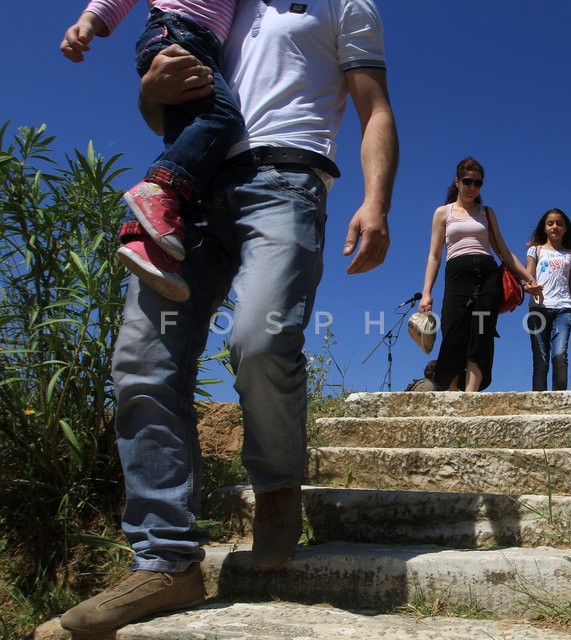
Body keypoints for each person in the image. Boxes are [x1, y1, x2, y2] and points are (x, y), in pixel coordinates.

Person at [58, 0, 398, 634]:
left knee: (261, 337)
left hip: (283, 182)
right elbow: (171, 99)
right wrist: (148, 92)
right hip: (188, 193)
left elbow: (374, 107)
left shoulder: (344, 4)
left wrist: (376, 201)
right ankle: (165, 562)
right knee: (142, 358)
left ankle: (275, 491)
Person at [61, 1, 245, 302]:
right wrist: (88, 22)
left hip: (194, 39)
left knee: (185, 142)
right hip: (180, 32)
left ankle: (146, 245)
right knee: (222, 119)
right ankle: (159, 187)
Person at [419, 157, 542, 392]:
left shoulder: (486, 213)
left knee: (481, 332)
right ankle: (452, 391)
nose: (473, 187)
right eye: (468, 181)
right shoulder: (442, 213)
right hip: (457, 276)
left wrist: (529, 278)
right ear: (457, 181)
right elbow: (434, 256)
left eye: (478, 183)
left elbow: (503, 251)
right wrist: (427, 293)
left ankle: (471, 394)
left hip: (488, 276)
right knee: (453, 331)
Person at [524, 208, 571, 391]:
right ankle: (539, 401)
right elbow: (526, 278)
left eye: (559, 223)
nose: (555, 226)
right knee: (540, 360)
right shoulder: (536, 250)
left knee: (559, 354)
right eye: (550, 223)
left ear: (566, 229)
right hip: (538, 309)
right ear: (544, 228)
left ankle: (560, 397)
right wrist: (528, 287)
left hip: (563, 309)